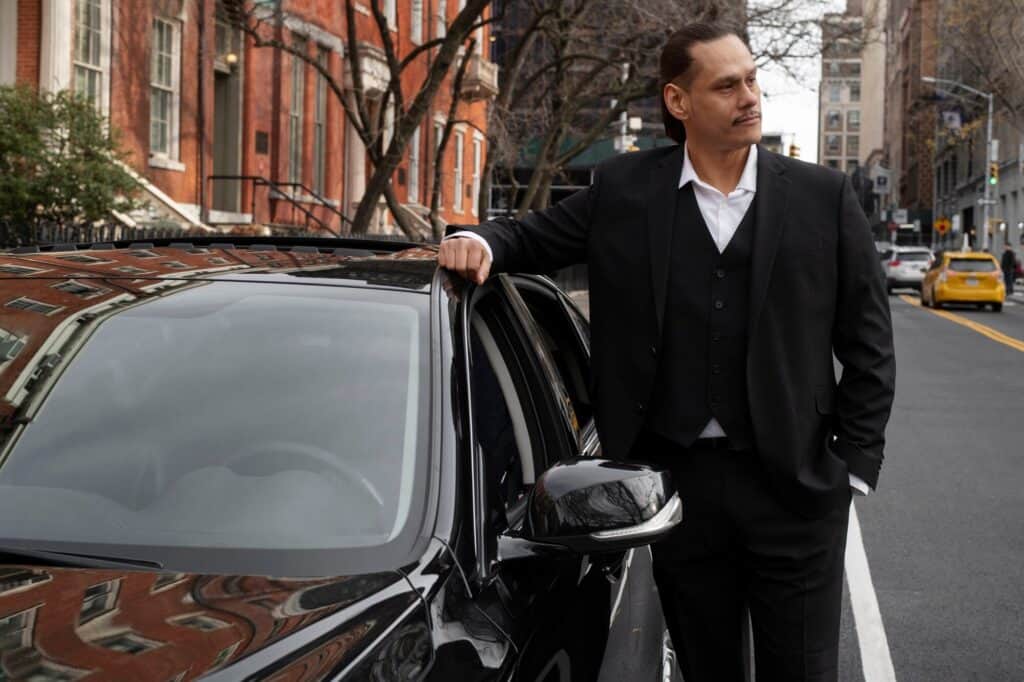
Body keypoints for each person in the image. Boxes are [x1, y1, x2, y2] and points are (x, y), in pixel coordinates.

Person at [439, 22, 895, 682]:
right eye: (727, 84)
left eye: (752, 80)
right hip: (680, 485)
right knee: (706, 669)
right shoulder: (625, 190)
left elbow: (870, 342)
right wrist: (476, 244)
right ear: (679, 102)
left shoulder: (823, 198)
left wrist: (851, 466)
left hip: (795, 487)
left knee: (801, 671)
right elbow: (528, 238)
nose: (749, 97)